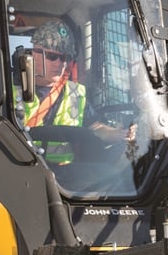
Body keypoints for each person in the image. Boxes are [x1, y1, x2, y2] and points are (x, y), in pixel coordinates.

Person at [21, 19, 129, 164]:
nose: (60, 63)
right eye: (52, 56)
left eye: (65, 58)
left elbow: (96, 127)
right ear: (35, 52)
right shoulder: (8, 89)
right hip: (18, 168)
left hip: (64, 178)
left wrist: (117, 134)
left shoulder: (75, 93)